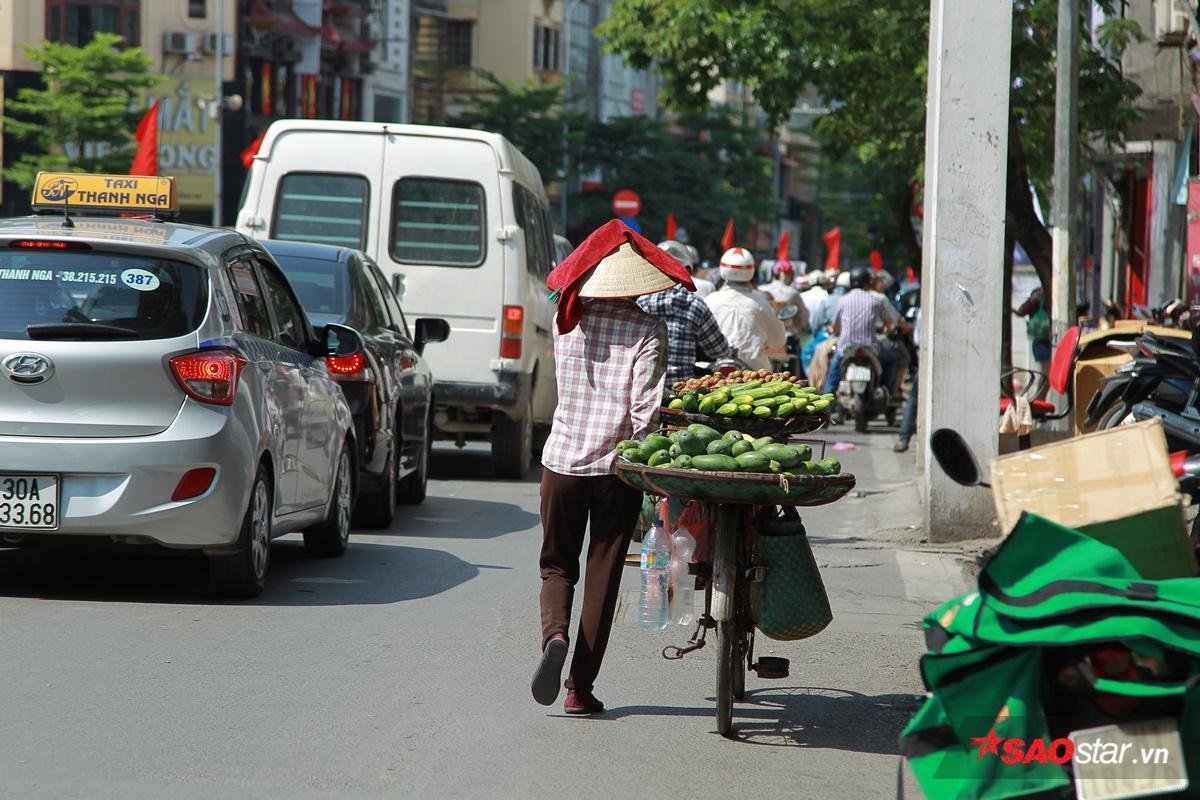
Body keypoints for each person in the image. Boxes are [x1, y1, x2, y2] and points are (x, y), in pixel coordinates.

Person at [532, 219, 692, 716]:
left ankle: (554, 634)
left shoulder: (567, 318)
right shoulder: (647, 328)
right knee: (602, 577)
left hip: (561, 463)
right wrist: (645, 468)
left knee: (557, 565)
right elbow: (644, 413)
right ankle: (580, 689)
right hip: (615, 472)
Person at [638, 240, 732, 385]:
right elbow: (718, 350)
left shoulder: (640, 303)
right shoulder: (695, 305)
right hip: (681, 390)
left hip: (644, 387)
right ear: (688, 271)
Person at [704, 247, 787, 371]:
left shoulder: (709, 300)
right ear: (752, 271)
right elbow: (778, 340)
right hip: (754, 374)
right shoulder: (761, 303)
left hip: (713, 372)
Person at [822, 267, 898, 396]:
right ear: (868, 283)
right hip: (871, 348)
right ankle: (886, 393)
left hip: (846, 347)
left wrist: (836, 329)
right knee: (892, 360)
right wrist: (888, 330)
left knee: (832, 377)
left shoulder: (843, 300)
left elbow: (834, 327)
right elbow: (889, 323)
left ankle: (825, 408)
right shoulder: (876, 301)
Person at [895, 307, 921, 452]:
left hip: (923, 352)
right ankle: (903, 438)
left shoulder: (923, 312)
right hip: (925, 353)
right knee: (913, 397)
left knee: (913, 398)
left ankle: (903, 439)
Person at [1014, 287, 1051, 375]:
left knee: (1045, 372)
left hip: (1044, 340)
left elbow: (1020, 312)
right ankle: (1042, 386)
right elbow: (1021, 312)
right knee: (1045, 371)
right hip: (1042, 340)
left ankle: (1043, 386)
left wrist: (1032, 300)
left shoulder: (1042, 302)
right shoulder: (1038, 303)